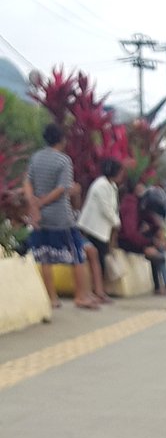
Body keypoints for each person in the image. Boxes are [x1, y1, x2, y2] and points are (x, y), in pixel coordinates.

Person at [24, 123, 99, 310]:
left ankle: (52, 298)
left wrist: (34, 204)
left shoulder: (36, 158)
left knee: (45, 257)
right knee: (77, 255)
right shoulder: (64, 161)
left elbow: (27, 182)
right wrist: (43, 202)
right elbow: (62, 188)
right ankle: (81, 296)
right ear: (62, 140)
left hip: (40, 218)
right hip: (60, 216)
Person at [119, 179, 166, 295]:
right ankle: (158, 287)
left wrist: (161, 239)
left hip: (138, 238)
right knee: (155, 252)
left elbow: (154, 223)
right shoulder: (130, 205)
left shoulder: (143, 205)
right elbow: (130, 233)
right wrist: (147, 243)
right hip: (126, 240)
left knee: (158, 247)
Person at [77, 157, 125, 303]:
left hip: (102, 229)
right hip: (92, 228)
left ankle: (99, 290)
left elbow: (113, 207)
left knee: (100, 259)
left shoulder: (112, 186)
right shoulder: (101, 185)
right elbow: (106, 209)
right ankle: (97, 291)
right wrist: (117, 222)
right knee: (96, 259)